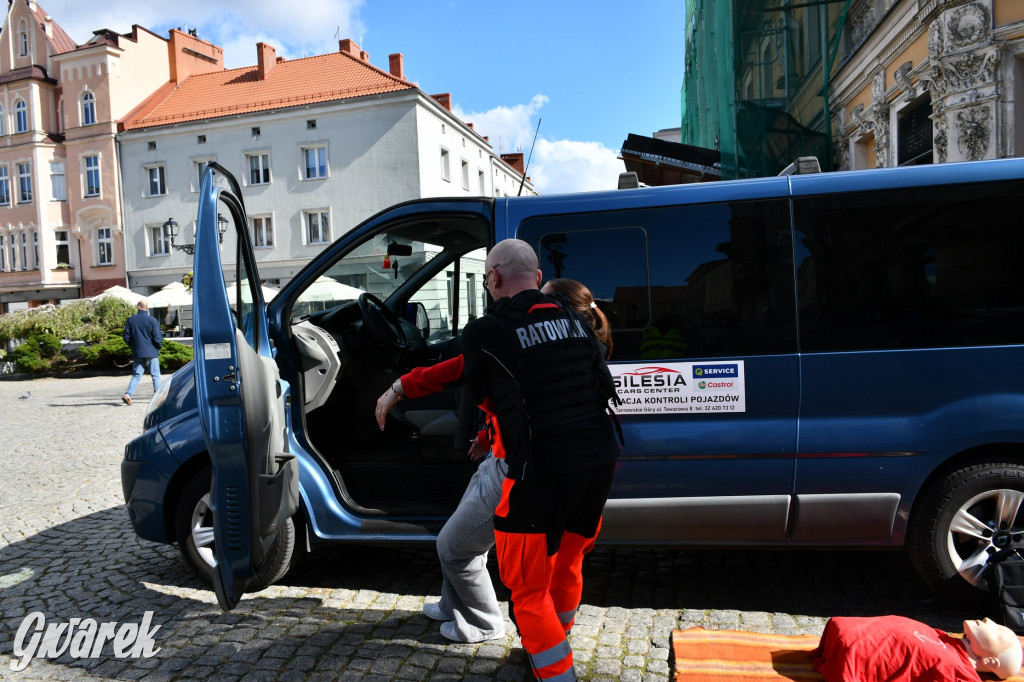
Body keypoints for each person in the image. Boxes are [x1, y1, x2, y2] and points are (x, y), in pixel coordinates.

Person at [374, 276, 613, 646]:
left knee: (455, 546)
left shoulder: (534, 336)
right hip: (521, 458)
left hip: (517, 468)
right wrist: (488, 432)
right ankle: (457, 603)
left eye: (543, 301)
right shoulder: (573, 343)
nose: (533, 307)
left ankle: (484, 623)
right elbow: (514, 399)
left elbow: (460, 368)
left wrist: (401, 387)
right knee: (472, 537)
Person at [811, 615, 1023, 681]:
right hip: (846, 635)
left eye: (999, 632)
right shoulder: (949, 641)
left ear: (991, 661)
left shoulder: (956, 671)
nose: (990, 621)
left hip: (850, 650)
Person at [122, 299, 162, 405]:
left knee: (136, 375)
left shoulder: (131, 320)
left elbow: (126, 337)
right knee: (155, 375)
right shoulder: (152, 320)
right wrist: (157, 347)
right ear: (146, 308)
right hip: (152, 351)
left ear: (138, 307)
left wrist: (134, 346)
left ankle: (128, 394)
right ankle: (157, 397)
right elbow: (157, 337)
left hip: (138, 352)